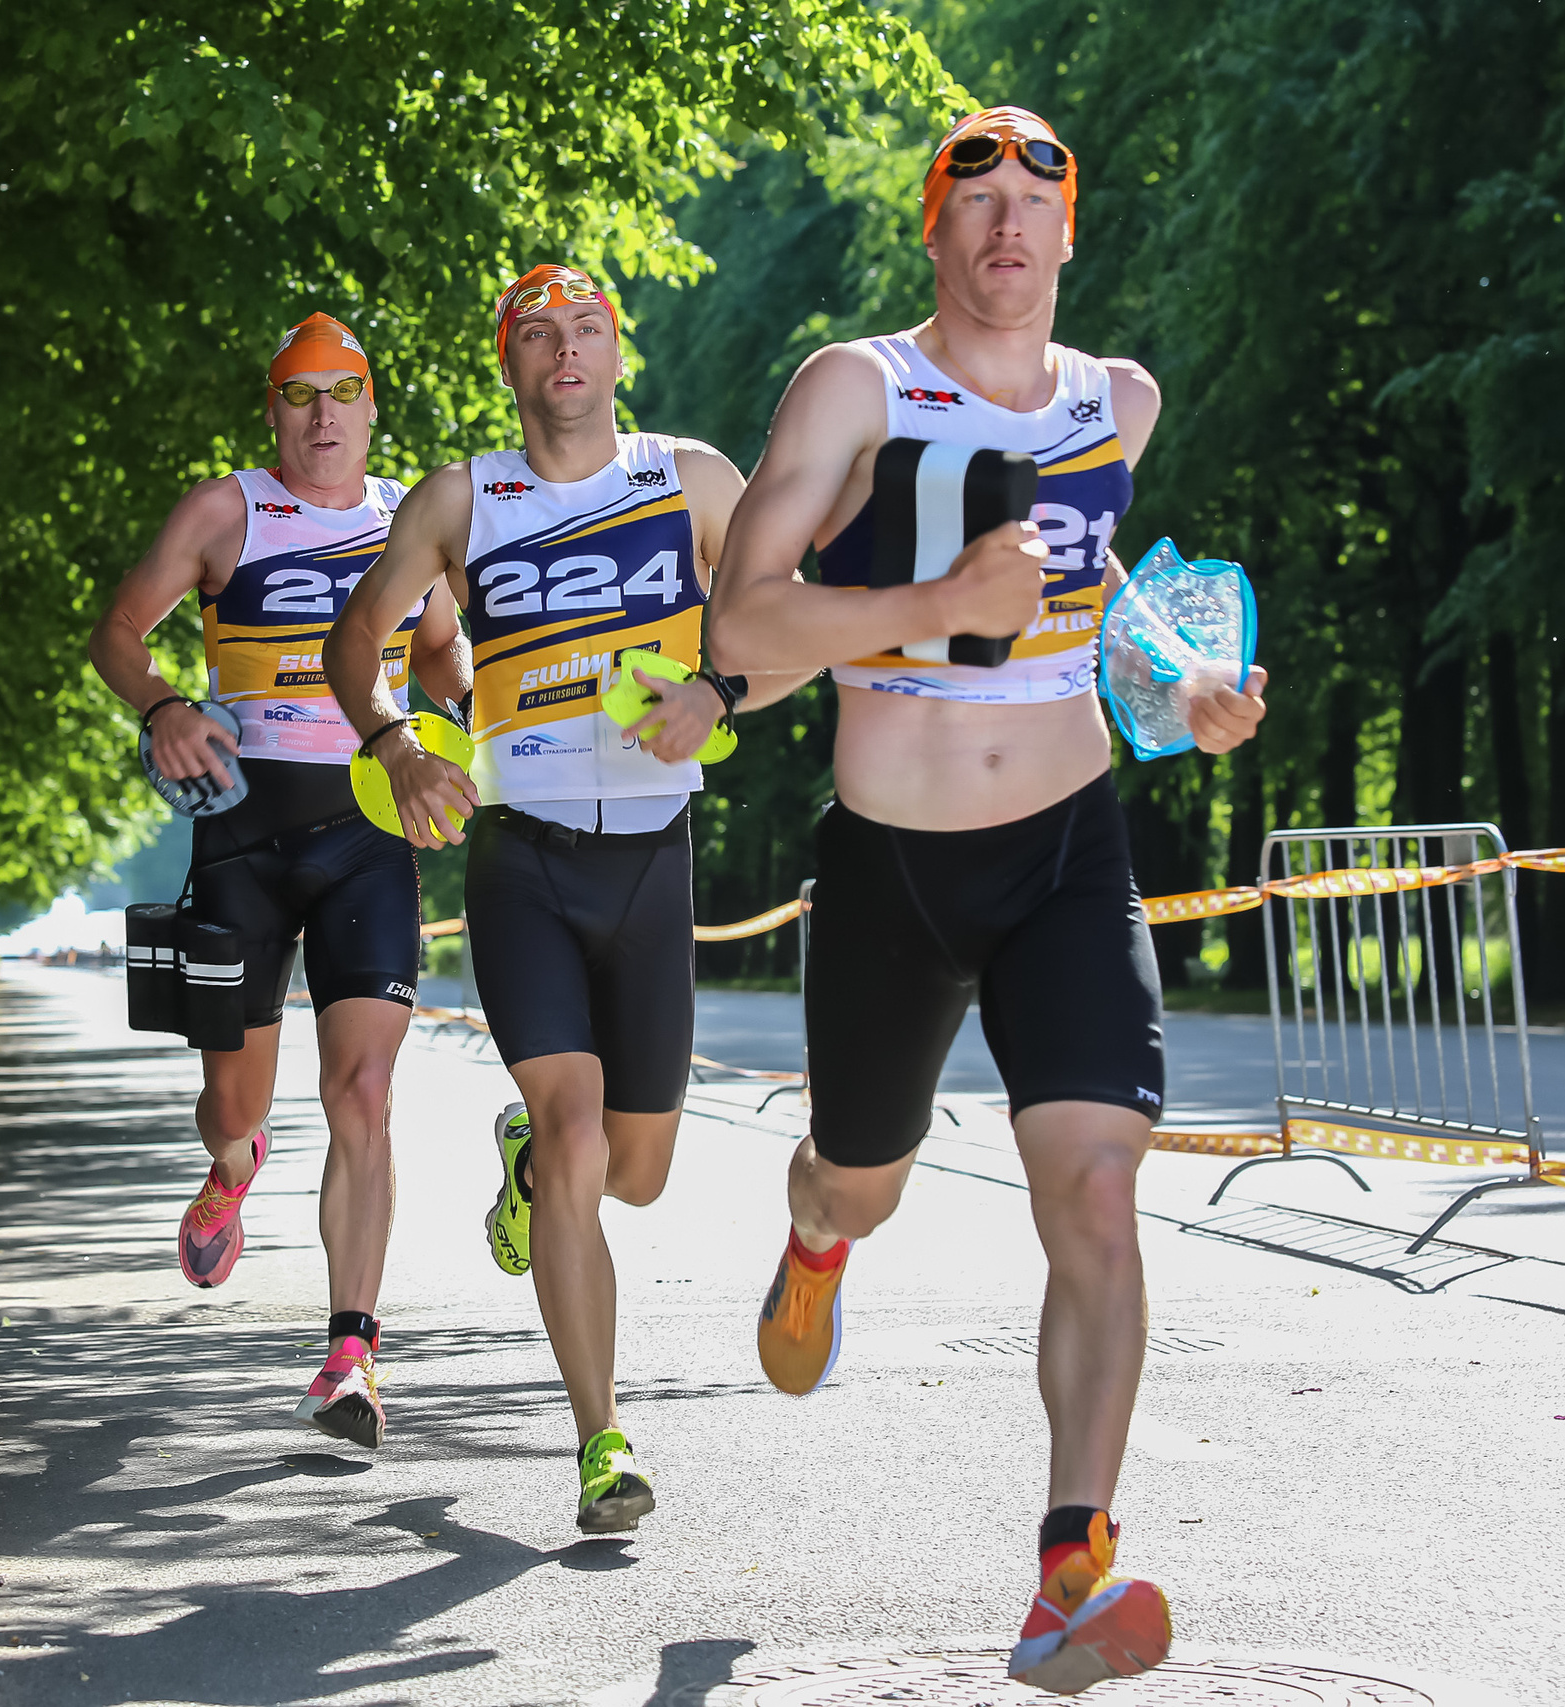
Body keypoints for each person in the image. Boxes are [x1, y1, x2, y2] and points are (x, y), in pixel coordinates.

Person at [704, 109, 1268, 1694]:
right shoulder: (856, 385)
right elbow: (742, 625)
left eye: (1038, 203)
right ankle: (818, 1234)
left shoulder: (1122, 400)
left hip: (1071, 850)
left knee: (1094, 1187)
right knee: (860, 1180)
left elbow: (1104, 615)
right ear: (934, 236)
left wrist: (1191, 687)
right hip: (894, 861)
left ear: (1071, 235)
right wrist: (931, 604)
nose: (1009, 227)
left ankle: (1069, 1567)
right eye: (981, 205)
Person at [326, 264, 779, 1533]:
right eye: (538, 333)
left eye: (586, 328)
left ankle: (529, 1172)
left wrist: (724, 693)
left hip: (653, 854)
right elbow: (354, 641)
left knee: (634, 1173)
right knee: (579, 1136)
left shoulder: (688, 479)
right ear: (510, 363)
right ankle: (603, 1444)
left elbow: (779, 617)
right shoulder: (462, 499)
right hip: (519, 854)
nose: (565, 349)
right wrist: (396, 743)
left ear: (617, 351)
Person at [87, 312, 469, 1451]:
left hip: (365, 831)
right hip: (243, 837)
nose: (320, 416)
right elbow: (118, 630)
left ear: (368, 407)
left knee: (361, 1096)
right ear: (273, 410)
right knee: (234, 1109)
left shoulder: (410, 523)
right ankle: (229, 1170)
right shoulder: (225, 511)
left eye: (340, 393)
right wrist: (161, 707)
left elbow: (447, 649)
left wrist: (449, 717)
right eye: (297, 395)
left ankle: (350, 1351)